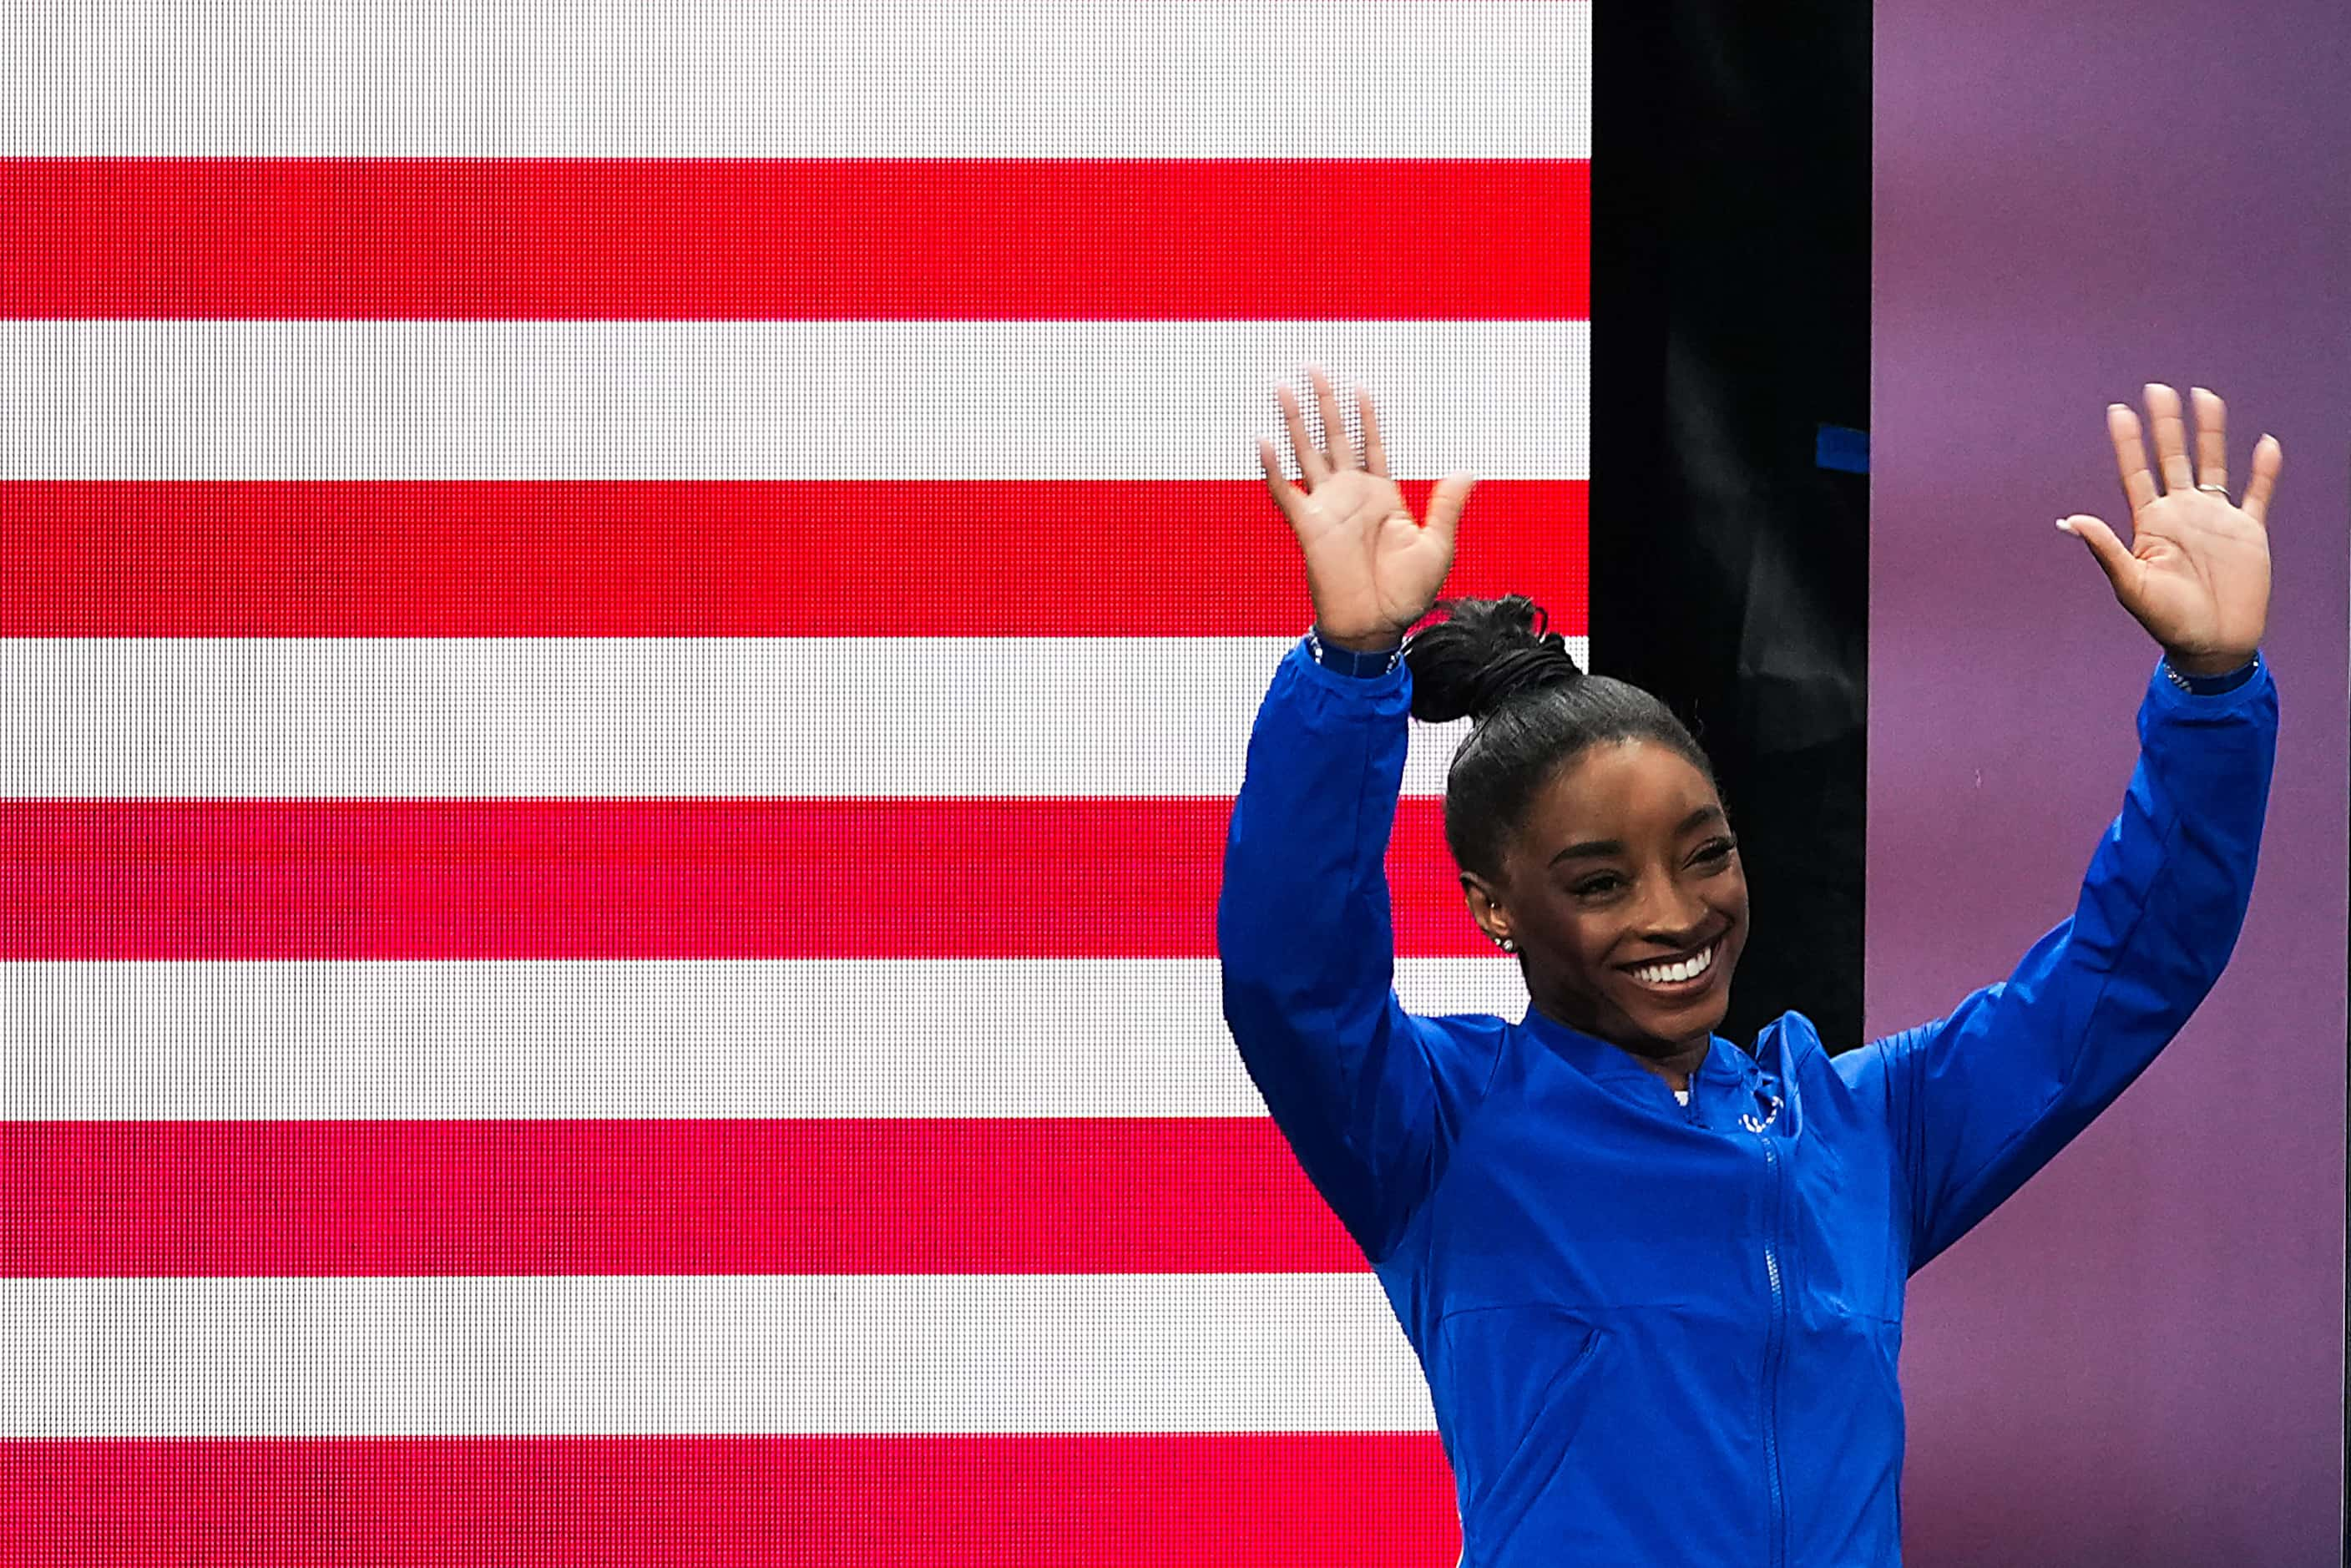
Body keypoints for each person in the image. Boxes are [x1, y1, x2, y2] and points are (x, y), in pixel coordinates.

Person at [1219, 369, 2279, 1565]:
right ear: (1491, 905)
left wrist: (2212, 696)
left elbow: (2124, 972)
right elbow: (1292, 977)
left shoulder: (1865, 1129)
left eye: (1706, 854)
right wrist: (1348, 672)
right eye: (1600, 881)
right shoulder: (1439, 1130)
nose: (1676, 915)